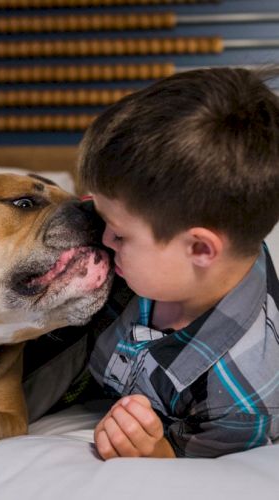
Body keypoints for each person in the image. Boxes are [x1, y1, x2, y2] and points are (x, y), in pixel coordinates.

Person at [77, 66, 279, 459]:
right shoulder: (162, 248)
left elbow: (193, 466)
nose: (104, 239)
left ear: (201, 250)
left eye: (119, 234)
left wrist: (156, 450)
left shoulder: (241, 398)